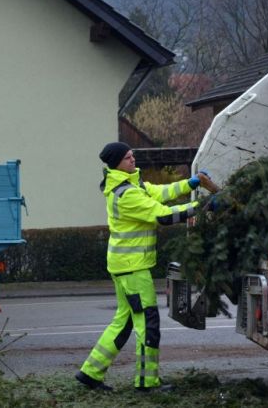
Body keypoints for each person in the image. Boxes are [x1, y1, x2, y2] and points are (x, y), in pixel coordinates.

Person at [76, 142, 218, 393]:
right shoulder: (126, 193)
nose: (133, 159)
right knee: (147, 325)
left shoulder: (132, 184)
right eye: (128, 157)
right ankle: (146, 382)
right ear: (117, 162)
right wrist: (201, 207)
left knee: (123, 322)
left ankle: (90, 373)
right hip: (133, 268)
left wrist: (191, 183)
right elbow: (162, 215)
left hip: (125, 266)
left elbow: (161, 192)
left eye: (132, 155)